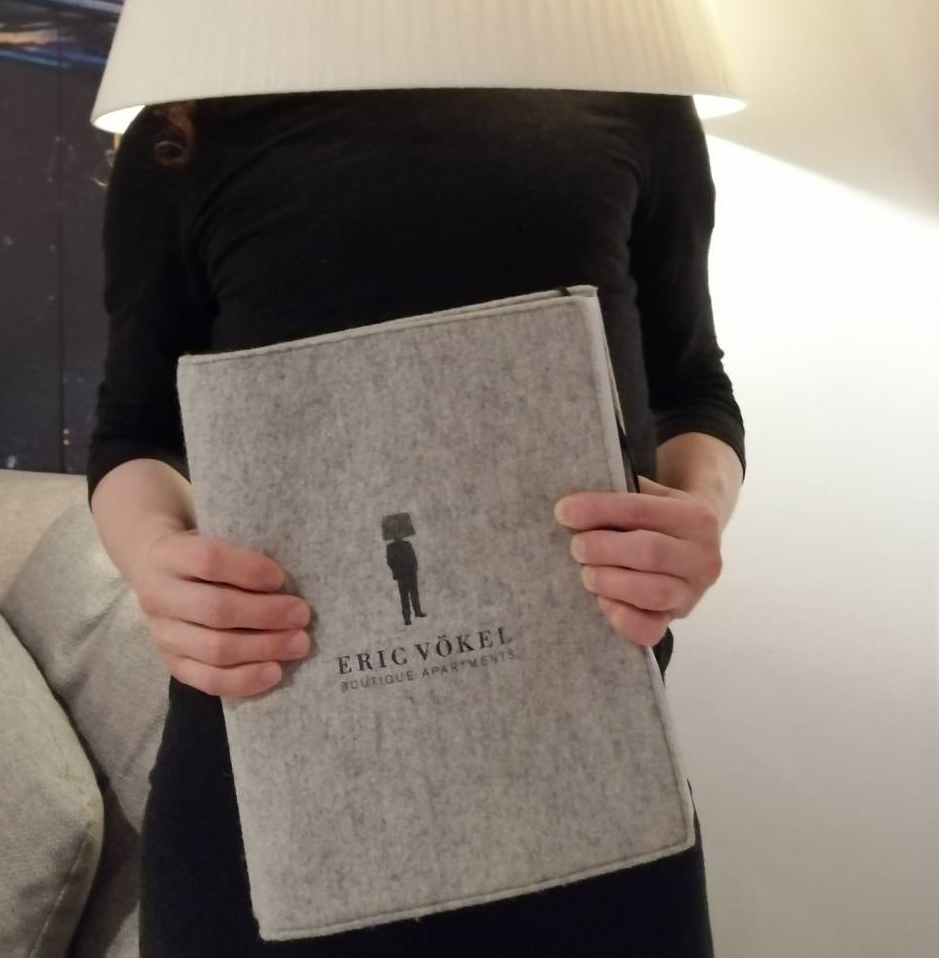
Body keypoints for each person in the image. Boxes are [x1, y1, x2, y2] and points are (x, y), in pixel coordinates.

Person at [87, 85, 745, 957]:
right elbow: (132, 431)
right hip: (272, 791)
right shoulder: (183, 131)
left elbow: (691, 389)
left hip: (590, 785)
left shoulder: (632, 97)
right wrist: (155, 560)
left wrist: (697, 511)